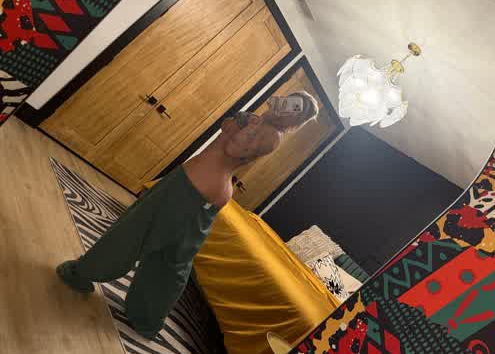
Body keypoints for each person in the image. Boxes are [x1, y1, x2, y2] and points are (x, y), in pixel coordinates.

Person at [56, 92, 319, 339]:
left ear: (296, 122)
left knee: (134, 231)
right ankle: (145, 318)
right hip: (203, 185)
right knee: (173, 256)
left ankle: (82, 273)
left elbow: (234, 149)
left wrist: (255, 122)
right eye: (291, 101)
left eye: (296, 110)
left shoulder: (272, 135)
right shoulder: (262, 122)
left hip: (197, 185)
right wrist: (252, 118)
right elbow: (226, 128)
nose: (288, 108)